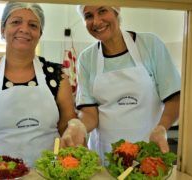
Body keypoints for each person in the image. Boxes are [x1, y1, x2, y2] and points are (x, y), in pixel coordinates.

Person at [0, 2, 77, 169]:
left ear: (40, 33)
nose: (24, 29)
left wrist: (74, 130)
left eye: (33, 25)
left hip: (48, 173)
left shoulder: (57, 76)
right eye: (16, 22)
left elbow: (67, 125)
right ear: (2, 29)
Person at [61, 5, 181, 164]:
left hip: (148, 155)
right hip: (104, 157)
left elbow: (175, 98)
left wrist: (162, 128)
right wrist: (79, 125)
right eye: (88, 16)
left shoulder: (149, 44)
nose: (96, 21)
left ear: (116, 11)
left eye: (102, 11)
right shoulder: (87, 58)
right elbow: (90, 113)